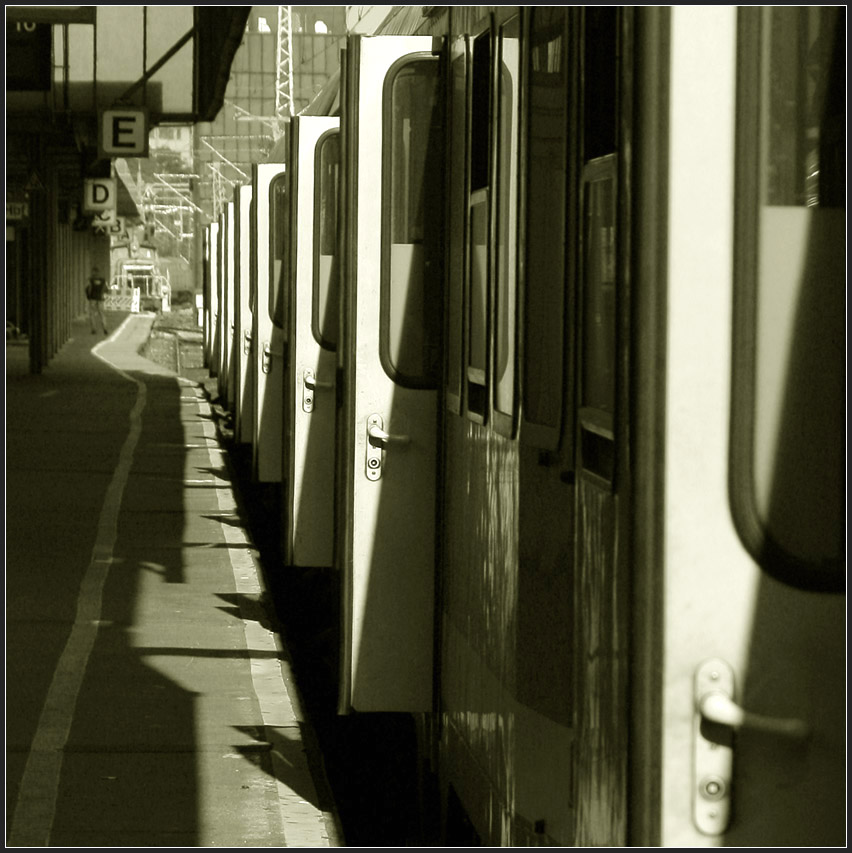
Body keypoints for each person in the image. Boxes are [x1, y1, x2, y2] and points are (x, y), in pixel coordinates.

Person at [86, 265, 109, 335]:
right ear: (98, 272)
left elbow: (89, 289)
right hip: (100, 299)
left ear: (93, 272)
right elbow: (106, 289)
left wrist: (88, 296)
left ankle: (94, 329)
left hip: (93, 299)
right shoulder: (103, 280)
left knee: (92, 314)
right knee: (102, 314)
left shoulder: (91, 280)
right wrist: (102, 294)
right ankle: (105, 328)